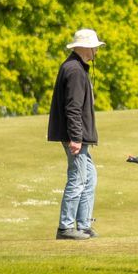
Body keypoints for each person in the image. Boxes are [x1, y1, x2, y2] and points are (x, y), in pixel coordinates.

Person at [48, 28, 103, 240]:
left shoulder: (75, 67)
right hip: (76, 136)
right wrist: (76, 138)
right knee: (78, 178)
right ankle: (66, 227)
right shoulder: (75, 70)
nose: (95, 51)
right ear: (85, 47)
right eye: (93, 47)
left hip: (79, 135)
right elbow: (73, 108)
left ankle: (83, 224)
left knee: (89, 177)